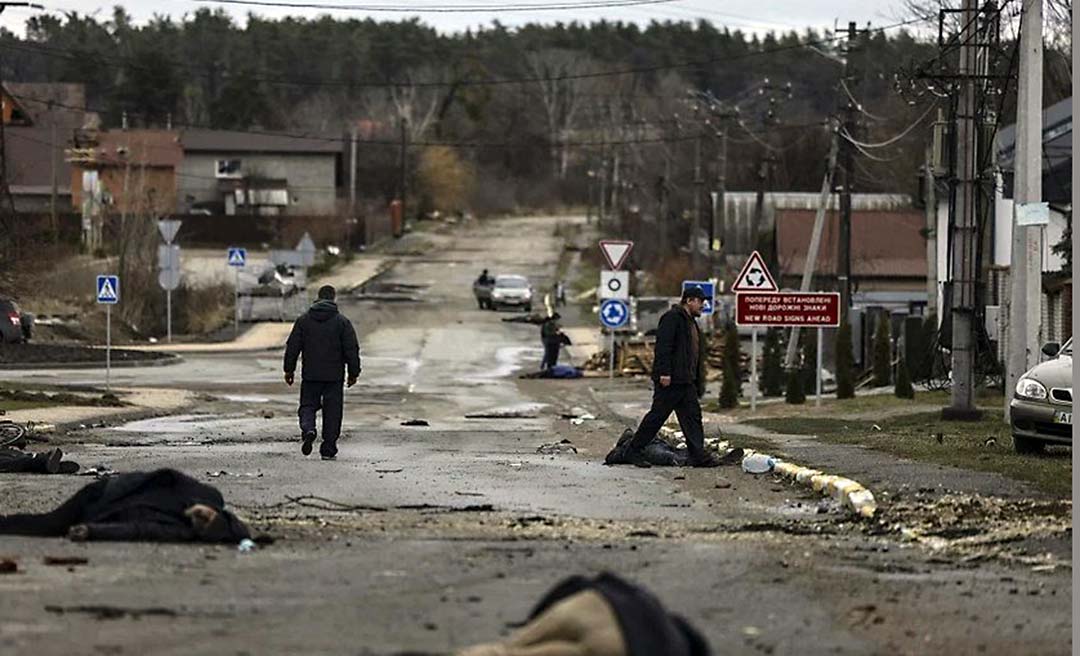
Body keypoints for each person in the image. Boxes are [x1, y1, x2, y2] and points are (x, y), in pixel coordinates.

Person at [621, 286, 721, 468]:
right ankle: (632, 451)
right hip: (671, 380)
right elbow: (663, 347)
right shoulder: (673, 318)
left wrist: (696, 379)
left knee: (692, 418)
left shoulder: (690, 322)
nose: (703, 306)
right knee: (656, 418)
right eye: (700, 302)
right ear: (690, 301)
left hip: (685, 381)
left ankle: (698, 456)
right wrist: (664, 373)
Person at [284, 285, 361, 460]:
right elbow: (351, 349)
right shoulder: (342, 322)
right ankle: (328, 448)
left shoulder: (303, 321)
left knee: (307, 406)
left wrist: (289, 370)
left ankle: (308, 429)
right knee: (333, 412)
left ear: (317, 298)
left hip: (310, 375)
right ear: (334, 299)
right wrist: (353, 373)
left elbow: (292, 347)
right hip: (334, 377)